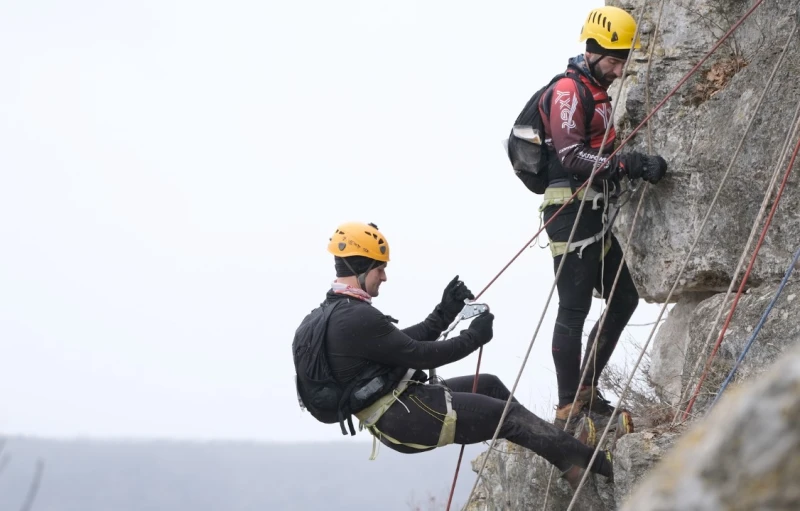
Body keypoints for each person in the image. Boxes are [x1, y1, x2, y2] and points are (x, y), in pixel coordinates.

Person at [295, 221, 626, 489]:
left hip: (399, 410)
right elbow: (420, 355)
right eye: (379, 269)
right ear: (361, 266)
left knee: (491, 386)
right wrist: (474, 337)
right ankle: (607, 467)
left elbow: (397, 346)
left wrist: (443, 312)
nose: (384, 276)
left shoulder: (331, 315)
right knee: (506, 416)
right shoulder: (355, 317)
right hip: (406, 414)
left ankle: (567, 458)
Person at [536, 6, 669, 432]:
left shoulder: (596, 91)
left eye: (622, 62)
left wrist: (630, 162)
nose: (617, 70)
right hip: (568, 209)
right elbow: (571, 155)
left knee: (624, 296)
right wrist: (626, 164)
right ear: (592, 51)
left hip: (593, 210)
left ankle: (586, 391)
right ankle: (567, 409)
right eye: (613, 61)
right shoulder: (567, 92)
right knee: (573, 310)